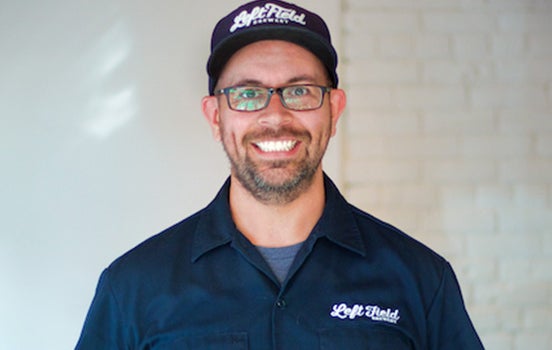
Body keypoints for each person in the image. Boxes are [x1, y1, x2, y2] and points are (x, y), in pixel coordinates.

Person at [75, 1, 484, 349]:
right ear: (216, 117)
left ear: (334, 110)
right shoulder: (133, 288)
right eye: (248, 93)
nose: (275, 115)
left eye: (300, 90)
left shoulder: (420, 280)